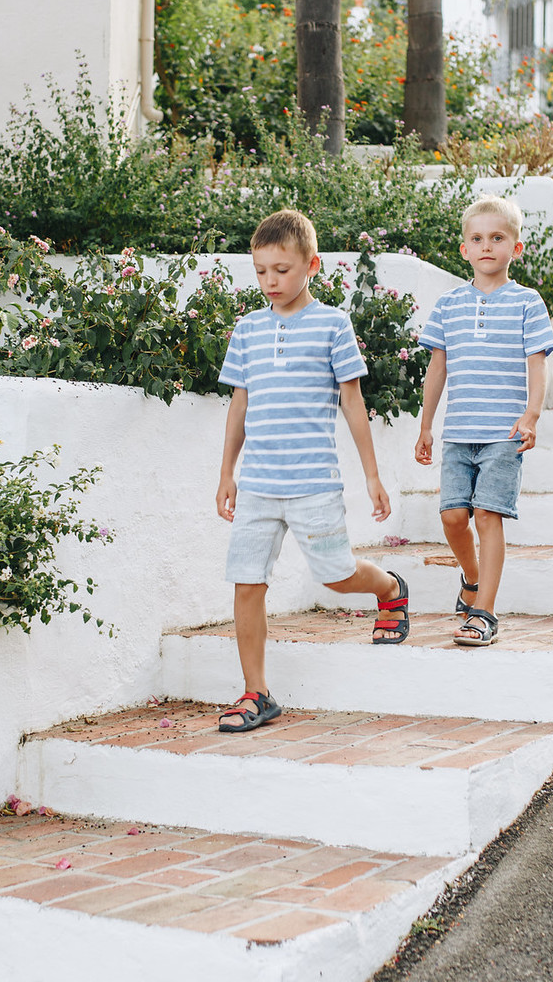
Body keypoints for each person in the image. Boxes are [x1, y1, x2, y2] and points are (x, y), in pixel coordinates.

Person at [214, 209, 410, 733]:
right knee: (246, 581)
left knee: (336, 576)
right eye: (260, 272)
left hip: (312, 483)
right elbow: (239, 404)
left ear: (311, 265)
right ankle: (256, 692)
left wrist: (371, 475)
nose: (269, 282)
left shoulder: (331, 324)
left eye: (280, 270)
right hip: (257, 484)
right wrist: (227, 472)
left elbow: (352, 401)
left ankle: (389, 589)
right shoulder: (248, 329)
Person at [413, 195, 553, 648]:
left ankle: (484, 614)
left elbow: (537, 362)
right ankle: (472, 580)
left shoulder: (527, 303)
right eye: (477, 239)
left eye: (497, 238)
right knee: (455, 516)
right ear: (464, 250)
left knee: (486, 514)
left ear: (515, 248)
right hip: (459, 433)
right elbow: (438, 367)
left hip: (504, 433)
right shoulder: (449, 305)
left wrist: (531, 414)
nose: (487, 246)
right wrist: (425, 426)